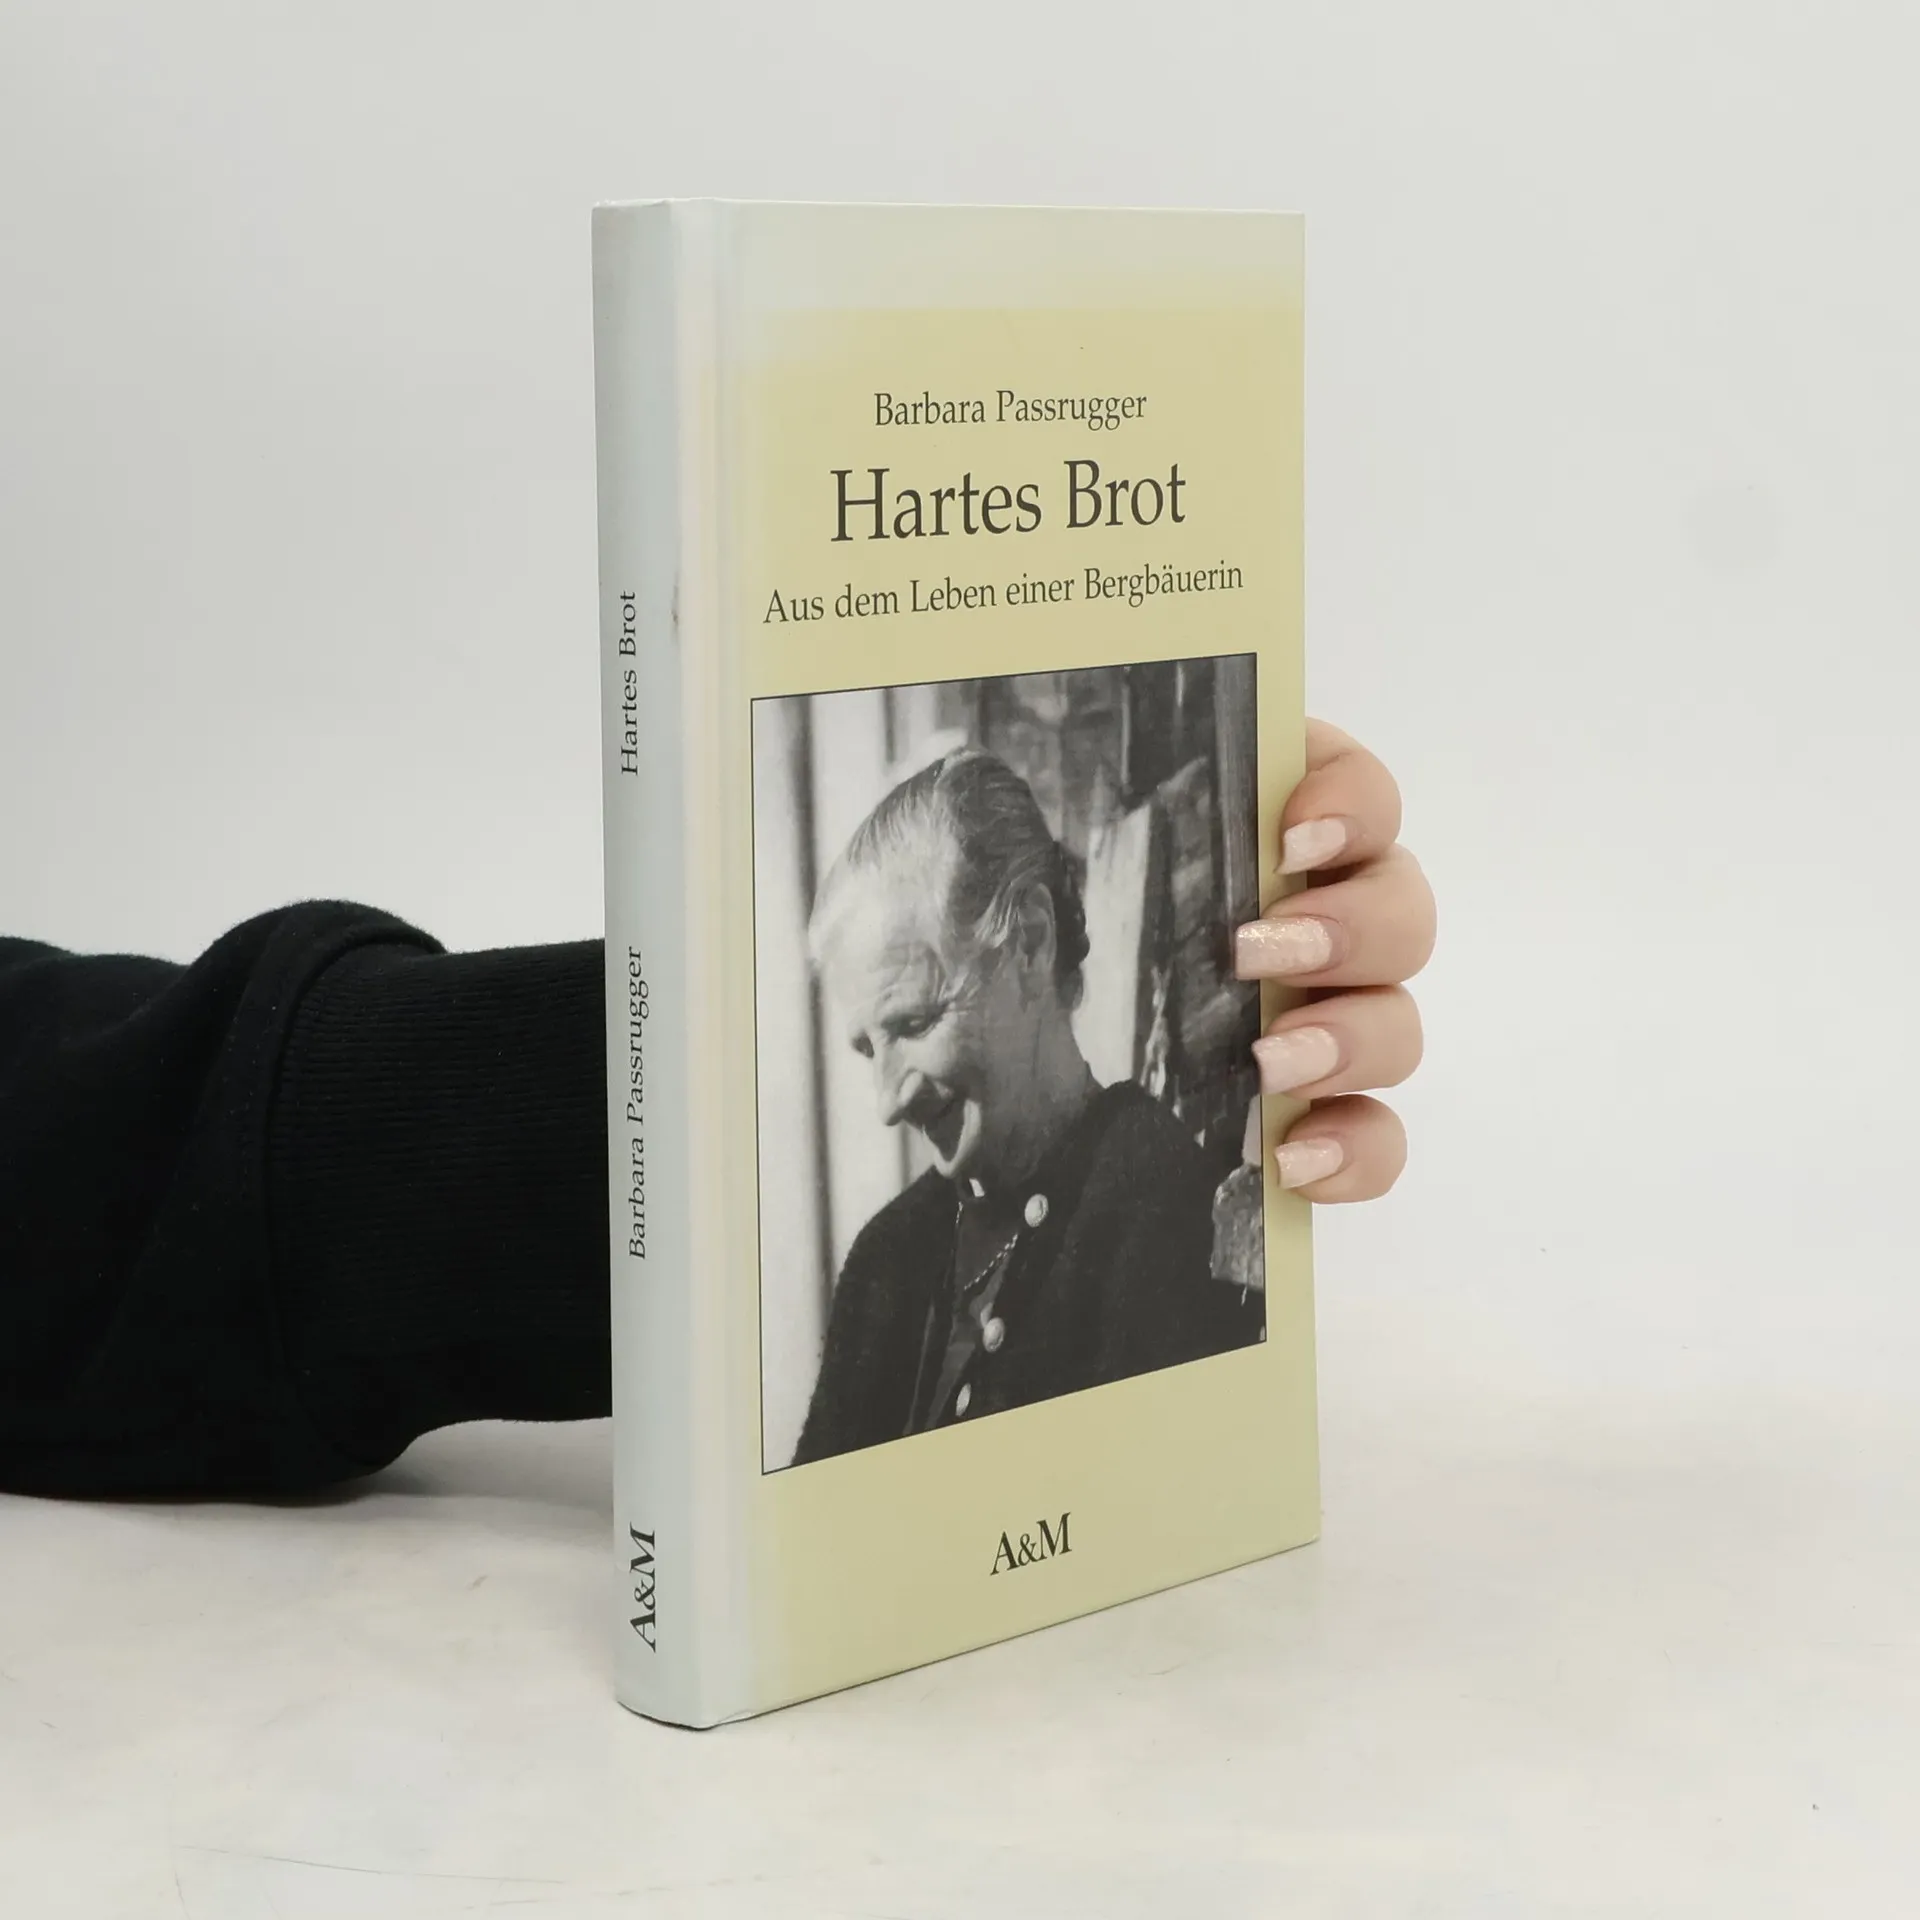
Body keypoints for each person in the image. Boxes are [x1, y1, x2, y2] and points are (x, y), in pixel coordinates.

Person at [0, 721, 1433, 1500]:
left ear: (1030, 935)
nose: (885, 1096)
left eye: (913, 1021)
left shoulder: (1162, 1195)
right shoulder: (889, 1260)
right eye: (863, 1043)